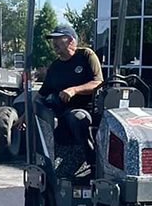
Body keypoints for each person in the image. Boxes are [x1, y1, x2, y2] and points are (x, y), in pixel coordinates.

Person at [38, 24, 103, 167]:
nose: (54, 43)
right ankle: (87, 163)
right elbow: (41, 96)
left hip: (92, 108)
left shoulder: (86, 55)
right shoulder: (54, 68)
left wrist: (74, 90)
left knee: (85, 118)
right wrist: (25, 116)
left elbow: (98, 83)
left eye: (58, 39)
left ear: (70, 40)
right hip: (67, 111)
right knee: (76, 117)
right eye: (53, 40)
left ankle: (97, 162)